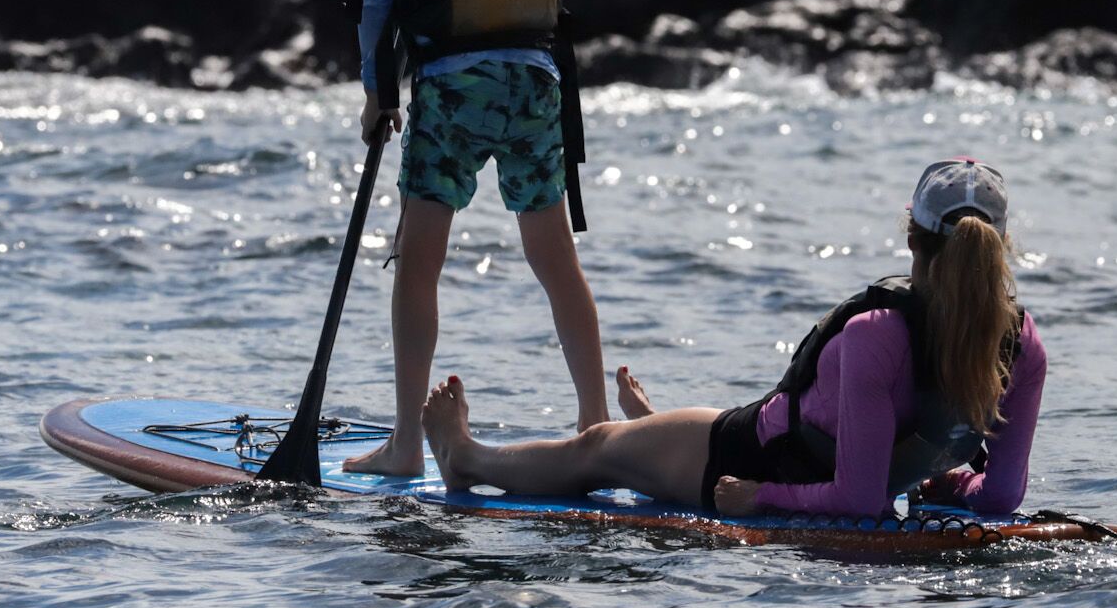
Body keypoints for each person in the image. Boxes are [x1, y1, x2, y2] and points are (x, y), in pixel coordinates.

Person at [420, 158, 1047, 519]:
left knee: (593, 449)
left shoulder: (877, 336)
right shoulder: (1022, 344)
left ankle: (466, 459)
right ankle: (650, 432)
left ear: (912, 236)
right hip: (768, 450)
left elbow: (857, 499)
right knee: (626, 444)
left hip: (740, 460)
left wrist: (760, 496)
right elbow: (1001, 494)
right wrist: (955, 487)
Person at [341, 0, 609, 478]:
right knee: (555, 259)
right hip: (535, 80)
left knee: (419, 258)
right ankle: (597, 424)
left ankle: (403, 442)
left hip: (452, 88)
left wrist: (378, 90)